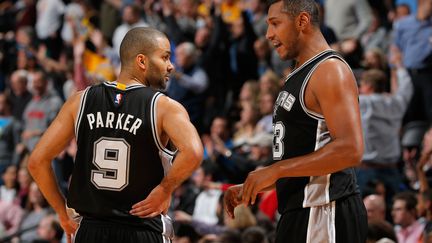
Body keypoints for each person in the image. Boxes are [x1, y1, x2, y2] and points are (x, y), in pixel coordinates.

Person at [27, 27, 203, 243]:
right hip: (142, 231)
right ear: (142, 61)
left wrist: (62, 213)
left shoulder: (80, 101)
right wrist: (165, 189)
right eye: (165, 57)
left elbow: (36, 161)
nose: (171, 65)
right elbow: (193, 152)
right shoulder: (164, 107)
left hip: (90, 231)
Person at [224, 0, 367, 242]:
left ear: (302, 21)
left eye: (275, 24)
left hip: (325, 209)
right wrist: (260, 182)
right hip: (300, 209)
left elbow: (350, 149)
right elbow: (304, 154)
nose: (269, 35)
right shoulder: (298, 74)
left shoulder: (329, 69)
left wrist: (277, 170)